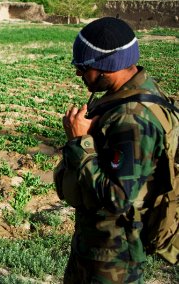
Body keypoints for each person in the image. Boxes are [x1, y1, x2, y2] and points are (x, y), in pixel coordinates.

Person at [54, 17, 172, 283]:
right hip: (98, 245)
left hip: (112, 257)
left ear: (106, 67)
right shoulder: (137, 91)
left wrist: (79, 142)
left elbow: (118, 198)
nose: (78, 74)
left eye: (84, 67)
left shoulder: (131, 119)